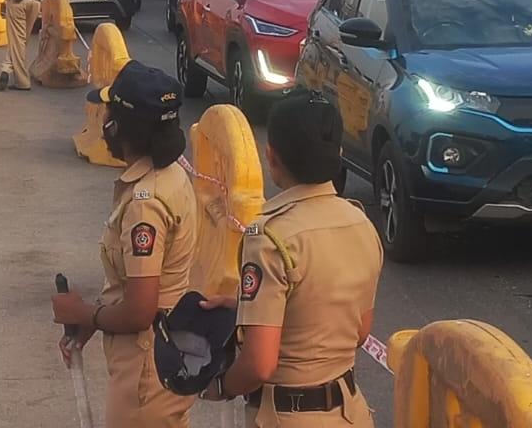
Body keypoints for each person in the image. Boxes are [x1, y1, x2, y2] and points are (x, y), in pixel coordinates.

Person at [199, 95, 382, 428]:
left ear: (272, 156)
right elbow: (359, 331)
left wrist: (220, 387)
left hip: (288, 416)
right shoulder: (361, 223)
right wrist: (246, 308)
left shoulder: (270, 237)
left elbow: (259, 364)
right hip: (350, 412)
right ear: (338, 153)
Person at [51, 60, 199, 428]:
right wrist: (98, 317)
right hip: (166, 354)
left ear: (119, 126)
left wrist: (83, 314)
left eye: (109, 112)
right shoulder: (170, 174)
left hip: (146, 370)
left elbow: (139, 311)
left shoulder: (145, 203)